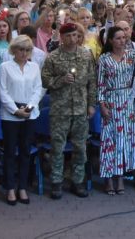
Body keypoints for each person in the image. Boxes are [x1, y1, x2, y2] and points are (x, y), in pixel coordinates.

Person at [40, 21, 96, 199]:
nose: (73, 39)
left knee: (80, 148)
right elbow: (45, 81)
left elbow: (92, 82)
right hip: (60, 109)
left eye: (75, 35)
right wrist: (60, 81)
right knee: (57, 147)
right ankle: (56, 182)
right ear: (62, 38)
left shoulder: (86, 56)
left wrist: (91, 104)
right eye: (68, 36)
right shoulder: (53, 57)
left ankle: (77, 181)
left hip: (80, 108)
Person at [96, 24, 135, 194]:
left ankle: (120, 177)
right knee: (109, 141)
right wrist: (102, 105)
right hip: (111, 101)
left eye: (124, 37)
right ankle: (108, 179)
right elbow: (100, 85)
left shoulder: (131, 55)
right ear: (111, 41)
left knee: (124, 141)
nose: (122, 40)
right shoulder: (104, 59)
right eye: (118, 38)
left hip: (127, 102)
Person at [0, 34, 44, 205]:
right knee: (10, 152)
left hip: (30, 113)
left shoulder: (34, 67)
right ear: (14, 50)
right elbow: (2, 92)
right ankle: (10, 188)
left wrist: (29, 107)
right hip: (10, 114)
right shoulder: (5, 67)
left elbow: (37, 89)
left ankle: (22, 187)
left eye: (27, 50)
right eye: (20, 49)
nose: (24, 53)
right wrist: (16, 110)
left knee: (25, 151)